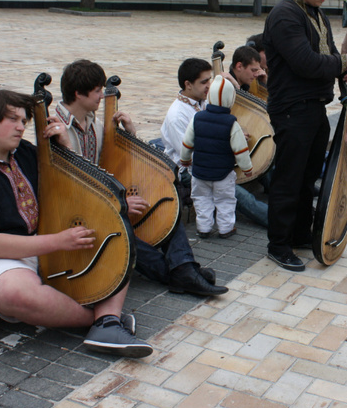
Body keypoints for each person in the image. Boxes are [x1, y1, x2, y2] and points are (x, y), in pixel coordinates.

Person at [0, 89, 153, 358]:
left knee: (116, 231)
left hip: (40, 240)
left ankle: (108, 323)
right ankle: (101, 320)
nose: (21, 127)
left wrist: (64, 145)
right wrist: (59, 241)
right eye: (13, 120)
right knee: (14, 293)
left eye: (23, 121)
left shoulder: (25, 153)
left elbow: (76, 187)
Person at [57, 60, 227, 296]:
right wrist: (120, 204)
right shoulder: (56, 128)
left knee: (167, 200)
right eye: (97, 91)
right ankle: (179, 274)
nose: (101, 97)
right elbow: (69, 186)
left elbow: (112, 163)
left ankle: (185, 268)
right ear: (78, 93)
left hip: (102, 200)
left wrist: (130, 134)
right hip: (79, 213)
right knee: (121, 233)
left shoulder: (93, 123)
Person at [262, 0, 347, 271]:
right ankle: (278, 244)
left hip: (314, 108)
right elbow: (305, 62)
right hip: (292, 110)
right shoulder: (284, 14)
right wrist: (343, 61)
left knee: (308, 180)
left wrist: (343, 69)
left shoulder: (314, 12)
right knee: (288, 180)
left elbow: (329, 52)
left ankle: (299, 233)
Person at [163, 58, 268, 228]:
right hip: (190, 170)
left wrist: (236, 134)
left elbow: (225, 116)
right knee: (238, 194)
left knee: (262, 157)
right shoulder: (177, 116)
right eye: (204, 81)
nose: (209, 85)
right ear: (188, 84)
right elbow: (190, 155)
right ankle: (279, 223)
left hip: (212, 159)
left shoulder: (204, 101)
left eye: (210, 80)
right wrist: (230, 148)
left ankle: (289, 205)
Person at [180, 75, 253, 238]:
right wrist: (247, 168)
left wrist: (185, 160)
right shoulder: (231, 123)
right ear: (230, 100)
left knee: (201, 200)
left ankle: (203, 228)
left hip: (199, 172)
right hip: (223, 174)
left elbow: (187, 143)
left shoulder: (197, 118)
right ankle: (226, 228)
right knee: (225, 201)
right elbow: (240, 150)